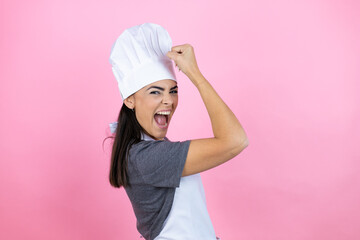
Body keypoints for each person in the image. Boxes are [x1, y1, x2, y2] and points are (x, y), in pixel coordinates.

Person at [108, 23, 249, 240]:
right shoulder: (147, 157)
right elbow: (235, 140)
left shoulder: (142, 150)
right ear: (130, 99)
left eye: (173, 91)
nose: (168, 100)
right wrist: (195, 74)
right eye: (155, 92)